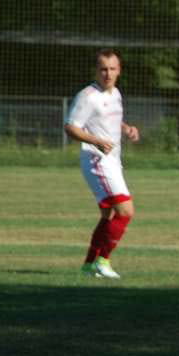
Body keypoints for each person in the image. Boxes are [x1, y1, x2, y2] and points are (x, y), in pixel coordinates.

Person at [64, 48, 139, 279]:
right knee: (126, 211)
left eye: (112, 69)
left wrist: (126, 128)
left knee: (108, 216)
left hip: (113, 162)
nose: (107, 73)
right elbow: (71, 127)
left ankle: (88, 265)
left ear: (119, 71)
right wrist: (96, 141)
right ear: (96, 71)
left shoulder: (115, 93)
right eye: (103, 69)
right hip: (98, 161)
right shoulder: (88, 96)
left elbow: (109, 119)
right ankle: (103, 261)